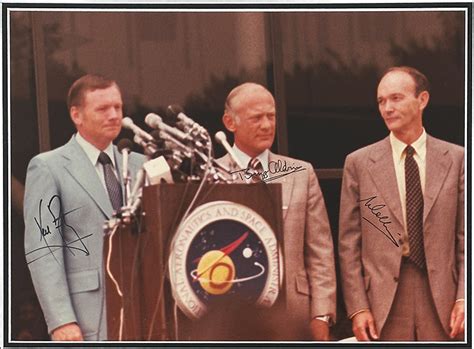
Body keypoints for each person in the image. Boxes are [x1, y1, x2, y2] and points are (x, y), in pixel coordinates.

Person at [338, 66, 464, 341]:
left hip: (444, 295)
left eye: (396, 98)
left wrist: (466, 297)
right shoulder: (359, 163)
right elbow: (349, 245)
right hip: (384, 300)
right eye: (381, 101)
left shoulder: (457, 159)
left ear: (422, 100)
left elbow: (467, 237)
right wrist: (358, 307)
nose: (387, 108)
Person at [23, 74, 145, 341]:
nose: (114, 115)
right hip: (88, 317)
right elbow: (44, 249)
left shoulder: (140, 164)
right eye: (103, 109)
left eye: (118, 107)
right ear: (76, 115)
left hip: (146, 311)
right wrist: (61, 320)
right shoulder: (48, 168)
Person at [217, 82, 337, 340]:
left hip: (295, 316)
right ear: (230, 122)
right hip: (234, 319)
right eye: (256, 118)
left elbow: (320, 252)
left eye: (271, 116)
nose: (267, 125)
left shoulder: (301, 173)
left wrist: (321, 315)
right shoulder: (210, 176)